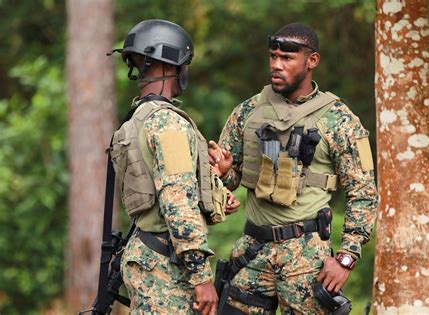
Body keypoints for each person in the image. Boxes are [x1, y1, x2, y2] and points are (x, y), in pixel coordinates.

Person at [209, 22, 378, 314]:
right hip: (252, 252)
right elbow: (231, 183)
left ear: (312, 61)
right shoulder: (248, 112)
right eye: (273, 56)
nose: (276, 65)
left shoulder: (338, 119)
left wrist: (346, 258)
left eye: (286, 58)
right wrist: (223, 173)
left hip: (306, 257)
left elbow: (364, 193)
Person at [109, 19, 239, 315]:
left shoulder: (136, 119)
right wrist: (201, 278)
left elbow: (156, 188)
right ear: (171, 66)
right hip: (167, 269)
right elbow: (176, 202)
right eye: (184, 64)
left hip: (146, 256)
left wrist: (215, 188)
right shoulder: (168, 123)